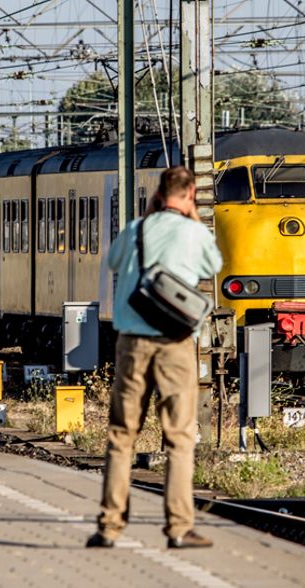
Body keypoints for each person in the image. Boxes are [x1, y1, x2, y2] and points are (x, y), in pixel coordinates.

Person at [87, 165, 223, 550]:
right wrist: (192, 220)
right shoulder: (194, 231)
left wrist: (148, 222)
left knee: (121, 436)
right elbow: (214, 268)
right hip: (176, 344)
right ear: (190, 195)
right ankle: (179, 529)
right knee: (179, 438)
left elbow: (113, 264)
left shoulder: (135, 230)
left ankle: (109, 528)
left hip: (132, 342)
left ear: (159, 195)